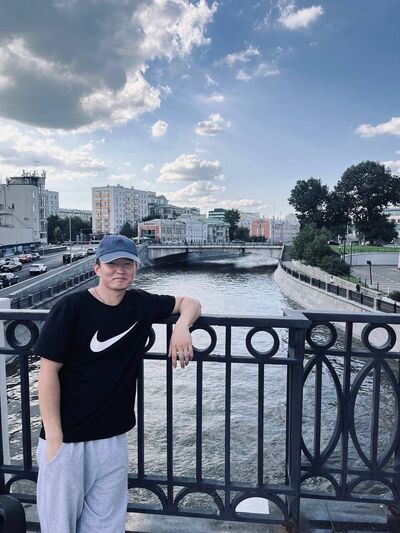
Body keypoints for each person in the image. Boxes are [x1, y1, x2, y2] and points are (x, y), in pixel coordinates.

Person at [35, 234, 201, 533]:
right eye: (112, 264)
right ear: (97, 268)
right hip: (68, 440)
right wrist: (55, 439)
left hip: (112, 439)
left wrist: (181, 326)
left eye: (127, 264)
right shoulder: (72, 307)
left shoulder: (140, 304)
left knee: (106, 525)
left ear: (136, 268)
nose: (120, 270)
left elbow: (189, 302)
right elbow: (47, 374)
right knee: (59, 526)